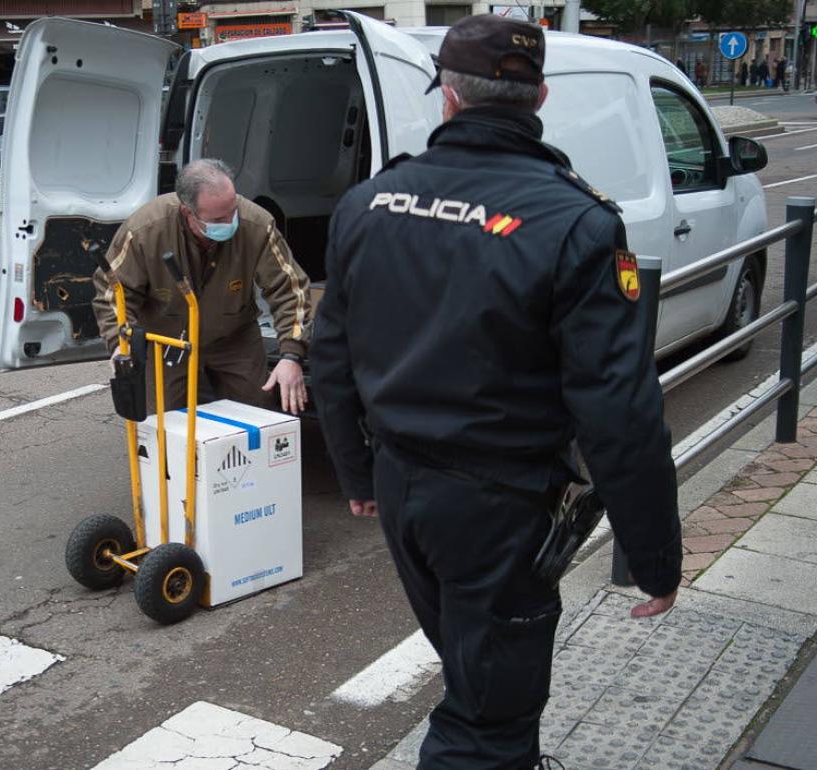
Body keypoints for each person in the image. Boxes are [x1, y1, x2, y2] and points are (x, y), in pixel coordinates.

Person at [311, 15, 681, 770]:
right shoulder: (575, 221)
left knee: (472, 666)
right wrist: (656, 558)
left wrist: (356, 473)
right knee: (487, 716)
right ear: (539, 96)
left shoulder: (370, 202)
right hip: (497, 505)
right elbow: (618, 409)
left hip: (401, 484)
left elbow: (331, 352)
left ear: (447, 97)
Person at [91, 159, 312, 416]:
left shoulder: (256, 224)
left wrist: (291, 355)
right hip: (167, 340)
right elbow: (112, 290)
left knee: (257, 413)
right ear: (188, 213)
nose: (230, 222)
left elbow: (290, 288)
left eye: (233, 211)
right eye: (219, 218)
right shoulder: (146, 230)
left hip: (234, 338)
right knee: (163, 424)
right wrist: (122, 344)